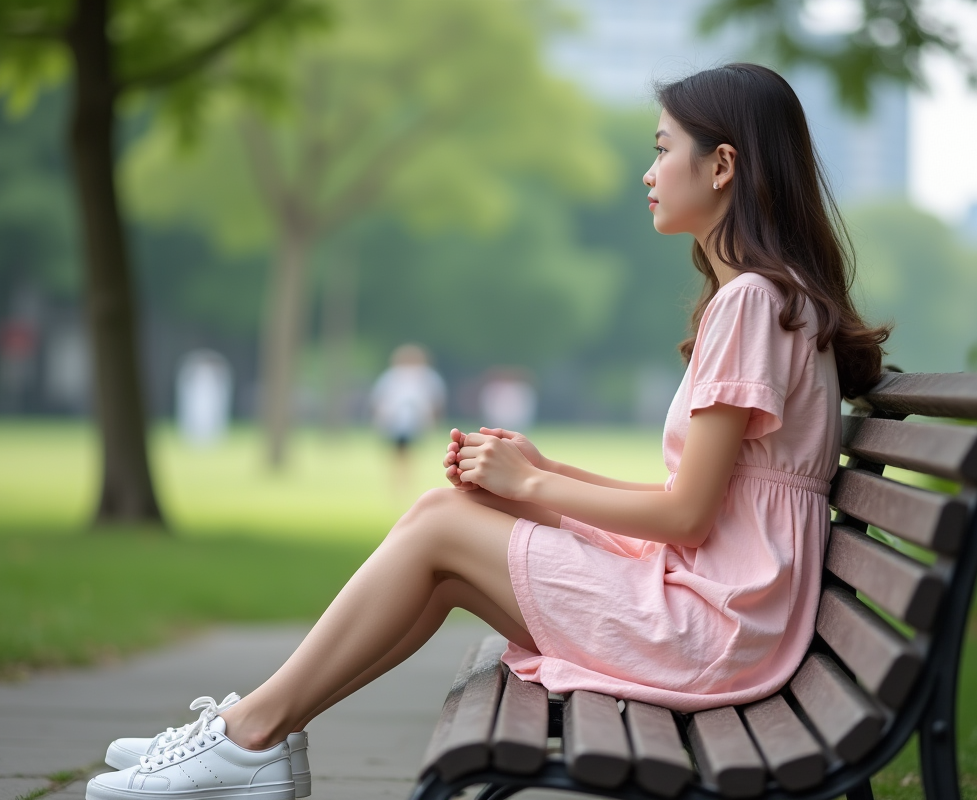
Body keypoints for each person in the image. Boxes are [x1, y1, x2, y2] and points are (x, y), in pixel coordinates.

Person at [85, 63, 890, 800]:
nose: (648, 173)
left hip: (714, 632)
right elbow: (707, 504)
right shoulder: (774, 299)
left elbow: (687, 516)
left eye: (662, 150)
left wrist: (534, 485)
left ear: (722, 166)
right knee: (448, 549)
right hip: (726, 615)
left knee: (442, 524)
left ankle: (246, 736)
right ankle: (260, 735)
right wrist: (542, 473)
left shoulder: (751, 302)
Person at [370, 343, 447, 491]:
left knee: (407, 454)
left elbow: (435, 402)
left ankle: (404, 481)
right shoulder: (392, 377)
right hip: (395, 422)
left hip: (415, 423)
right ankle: (399, 481)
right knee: (398, 454)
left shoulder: (426, 377)